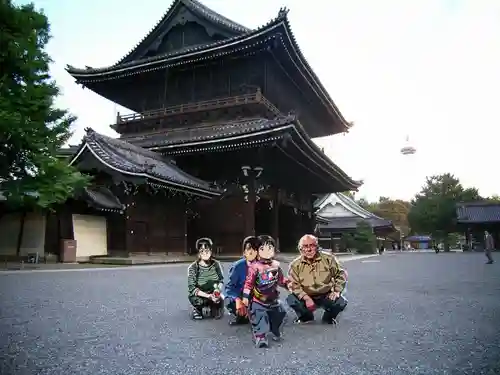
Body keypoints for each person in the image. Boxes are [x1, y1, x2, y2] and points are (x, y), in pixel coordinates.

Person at [286, 234, 347, 325]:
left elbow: (341, 274)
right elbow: (293, 285)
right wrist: (306, 298)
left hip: (326, 294)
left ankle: (328, 318)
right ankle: (306, 317)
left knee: (341, 302)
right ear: (300, 249)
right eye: (305, 246)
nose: (309, 249)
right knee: (291, 299)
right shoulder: (295, 265)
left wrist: (336, 291)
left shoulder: (329, 259)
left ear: (317, 247)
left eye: (312, 245)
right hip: (307, 295)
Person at [242, 235, 288, 348]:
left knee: (281, 313)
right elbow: (249, 283)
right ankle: (260, 337)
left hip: (273, 299)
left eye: (270, 248)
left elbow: (281, 280)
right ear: (257, 251)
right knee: (260, 317)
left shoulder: (276, 265)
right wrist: (245, 297)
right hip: (259, 300)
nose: (267, 252)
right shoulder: (254, 267)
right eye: (263, 249)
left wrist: (289, 285)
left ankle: (275, 328)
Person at [224, 236, 260, 325]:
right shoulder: (237, 266)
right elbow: (229, 288)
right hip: (240, 296)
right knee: (227, 300)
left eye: (255, 249)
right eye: (248, 249)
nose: (251, 252)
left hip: (256, 297)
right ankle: (241, 313)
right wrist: (237, 300)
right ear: (244, 252)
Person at [187, 237, 224, 320]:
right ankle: (198, 309)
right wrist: (208, 296)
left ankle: (215, 306)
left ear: (211, 251)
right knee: (196, 300)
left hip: (213, 292)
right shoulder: (193, 267)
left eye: (207, 250)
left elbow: (221, 280)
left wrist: (217, 291)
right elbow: (192, 288)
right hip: (201, 294)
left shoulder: (216, 264)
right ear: (198, 253)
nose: (205, 253)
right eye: (202, 251)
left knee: (219, 302)